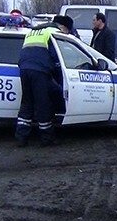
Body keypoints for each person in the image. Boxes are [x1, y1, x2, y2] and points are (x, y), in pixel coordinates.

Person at [14, 15, 73, 147]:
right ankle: (47, 138)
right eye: (67, 31)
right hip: (40, 71)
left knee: (27, 102)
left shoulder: (32, 32)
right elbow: (56, 56)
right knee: (43, 104)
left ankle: (21, 137)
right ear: (62, 27)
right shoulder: (52, 32)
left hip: (24, 69)